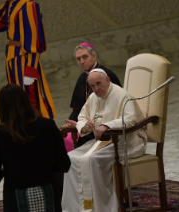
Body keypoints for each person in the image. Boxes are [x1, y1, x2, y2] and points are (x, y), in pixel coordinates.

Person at [62, 69, 147, 212]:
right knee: (70, 158)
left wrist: (107, 125)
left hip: (124, 142)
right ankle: (76, 208)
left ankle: (102, 207)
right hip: (103, 143)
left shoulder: (121, 95)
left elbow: (130, 119)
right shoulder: (93, 97)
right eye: (92, 86)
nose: (96, 89)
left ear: (107, 80)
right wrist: (84, 125)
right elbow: (82, 117)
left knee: (92, 159)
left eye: (98, 84)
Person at [0, 84, 70, 212]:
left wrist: (7, 171)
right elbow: (64, 164)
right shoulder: (48, 125)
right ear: (26, 100)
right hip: (48, 192)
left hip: (16, 195)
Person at [0, 1, 55, 119]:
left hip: (24, 58)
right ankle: (24, 129)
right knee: (18, 99)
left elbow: (33, 39)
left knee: (31, 99)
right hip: (12, 58)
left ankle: (41, 129)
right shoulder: (11, 4)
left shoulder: (28, 5)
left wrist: (31, 68)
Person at [69, 42, 122, 147]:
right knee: (65, 141)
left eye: (85, 57)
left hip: (104, 128)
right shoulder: (81, 79)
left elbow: (116, 107)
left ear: (94, 56)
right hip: (86, 127)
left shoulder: (107, 75)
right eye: (78, 59)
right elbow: (77, 108)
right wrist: (70, 123)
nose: (82, 62)